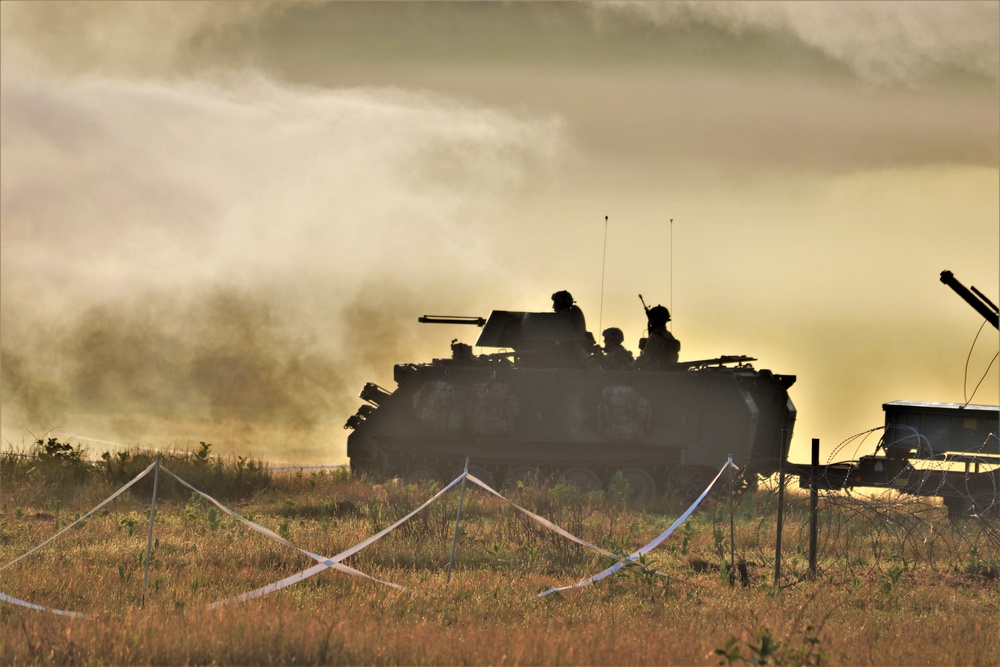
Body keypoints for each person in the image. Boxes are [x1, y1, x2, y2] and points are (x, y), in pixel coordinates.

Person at [632, 305, 680, 370]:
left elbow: (645, 358)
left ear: (652, 320)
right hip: (664, 373)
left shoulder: (655, 337)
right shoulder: (669, 336)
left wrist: (628, 367)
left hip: (653, 375)